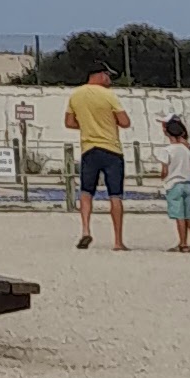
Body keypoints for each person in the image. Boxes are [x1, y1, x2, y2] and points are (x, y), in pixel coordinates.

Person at [64, 66, 133, 251]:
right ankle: (117, 241)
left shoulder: (76, 95)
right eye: (108, 76)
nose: (110, 79)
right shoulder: (109, 95)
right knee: (115, 195)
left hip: (89, 149)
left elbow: (69, 122)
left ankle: (86, 230)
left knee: (86, 192)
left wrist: (88, 125)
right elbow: (125, 122)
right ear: (101, 75)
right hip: (111, 149)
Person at [159, 115, 190, 255]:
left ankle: (183, 243)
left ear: (167, 133)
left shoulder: (167, 150)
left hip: (174, 184)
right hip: (187, 184)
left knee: (179, 216)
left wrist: (162, 177)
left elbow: (164, 170)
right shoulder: (186, 149)